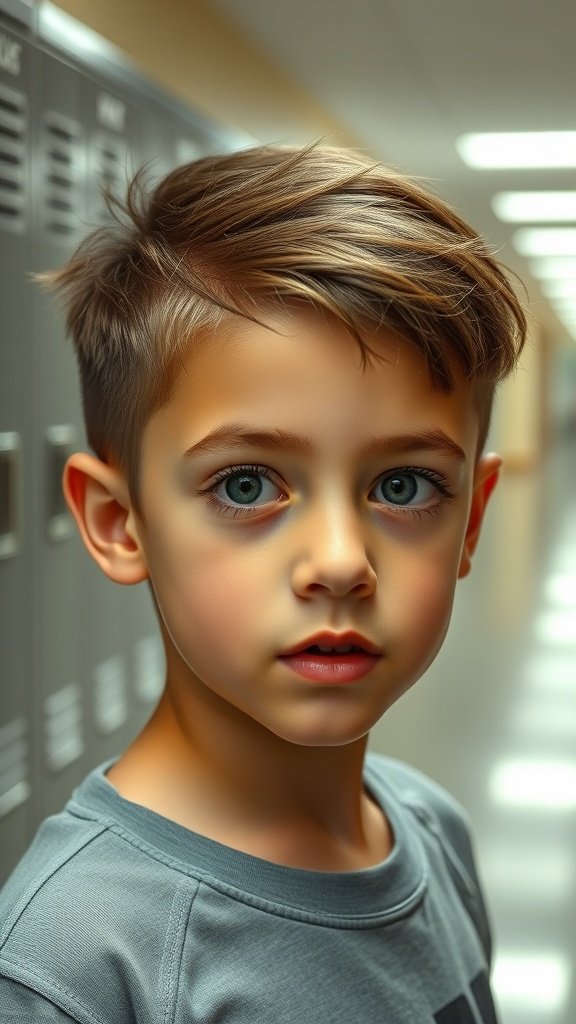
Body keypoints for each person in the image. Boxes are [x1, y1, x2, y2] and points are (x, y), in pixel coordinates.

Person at [0, 144, 526, 1023]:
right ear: (117, 522)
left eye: (403, 486)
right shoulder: (72, 967)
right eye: (246, 486)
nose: (338, 562)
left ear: (470, 521)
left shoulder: (432, 829)